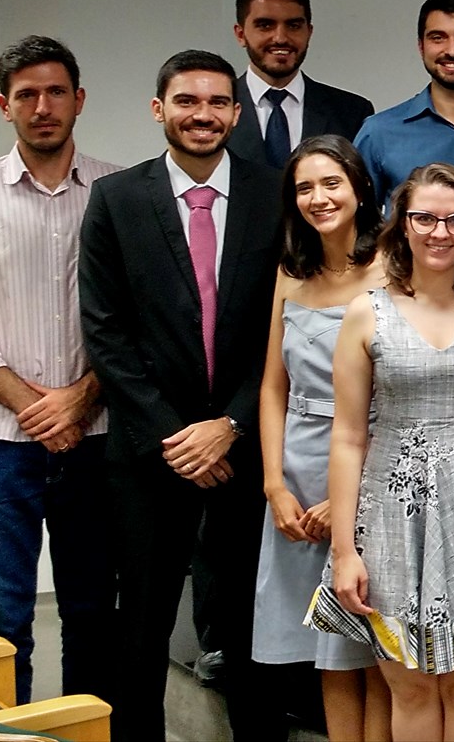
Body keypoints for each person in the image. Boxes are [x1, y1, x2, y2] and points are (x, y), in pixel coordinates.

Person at [78, 49, 284, 740]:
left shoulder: (274, 193)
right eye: (187, 101)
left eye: (218, 102)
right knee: (142, 622)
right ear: (158, 108)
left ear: (236, 111)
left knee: (250, 622)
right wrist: (177, 436)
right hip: (150, 451)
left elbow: (286, 326)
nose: (203, 114)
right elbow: (105, 332)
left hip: (247, 448)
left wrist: (229, 424)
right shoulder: (116, 199)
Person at [308, 162, 454, 740]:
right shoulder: (367, 312)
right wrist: (344, 551)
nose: (439, 232)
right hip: (393, 521)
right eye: (424, 218)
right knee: (411, 687)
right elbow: (348, 436)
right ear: (402, 225)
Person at [254, 135, 390, 741]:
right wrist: (274, 485)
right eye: (304, 187)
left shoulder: (394, 265)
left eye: (332, 183)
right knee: (325, 651)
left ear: (360, 187)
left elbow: (398, 391)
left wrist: (350, 500)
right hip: (300, 467)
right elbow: (272, 386)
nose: (319, 198)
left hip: (374, 462)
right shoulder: (292, 271)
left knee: (374, 644)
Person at [0, 36, 117, 707]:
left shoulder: (121, 192)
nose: (43, 107)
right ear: (3, 105)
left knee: (92, 612)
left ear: (80, 99)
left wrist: (81, 398)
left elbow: (139, 319)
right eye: (27, 95)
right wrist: (32, 406)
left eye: (56, 92)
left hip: (98, 440)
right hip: (1, 444)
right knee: (2, 618)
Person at [353, 0, 454, 201]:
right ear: (421, 48)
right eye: (438, 38)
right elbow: (357, 216)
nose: (452, 51)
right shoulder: (379, 132)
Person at [227, 0, 375, 167]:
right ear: (240, 34)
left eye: (294, 26)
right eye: (265, 25)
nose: (280, 38)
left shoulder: (352, 111)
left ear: (309, 32)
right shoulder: (217, 109)